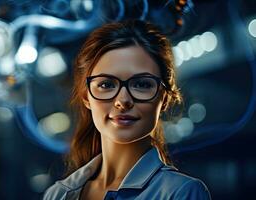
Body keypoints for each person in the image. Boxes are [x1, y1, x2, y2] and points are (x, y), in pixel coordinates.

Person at [43, 20, 211, 200]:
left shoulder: (181, 193)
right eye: (106, 84)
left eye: (141, 84)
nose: (123, 101)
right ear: (86, 97)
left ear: (164, 98)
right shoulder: (58, 194)